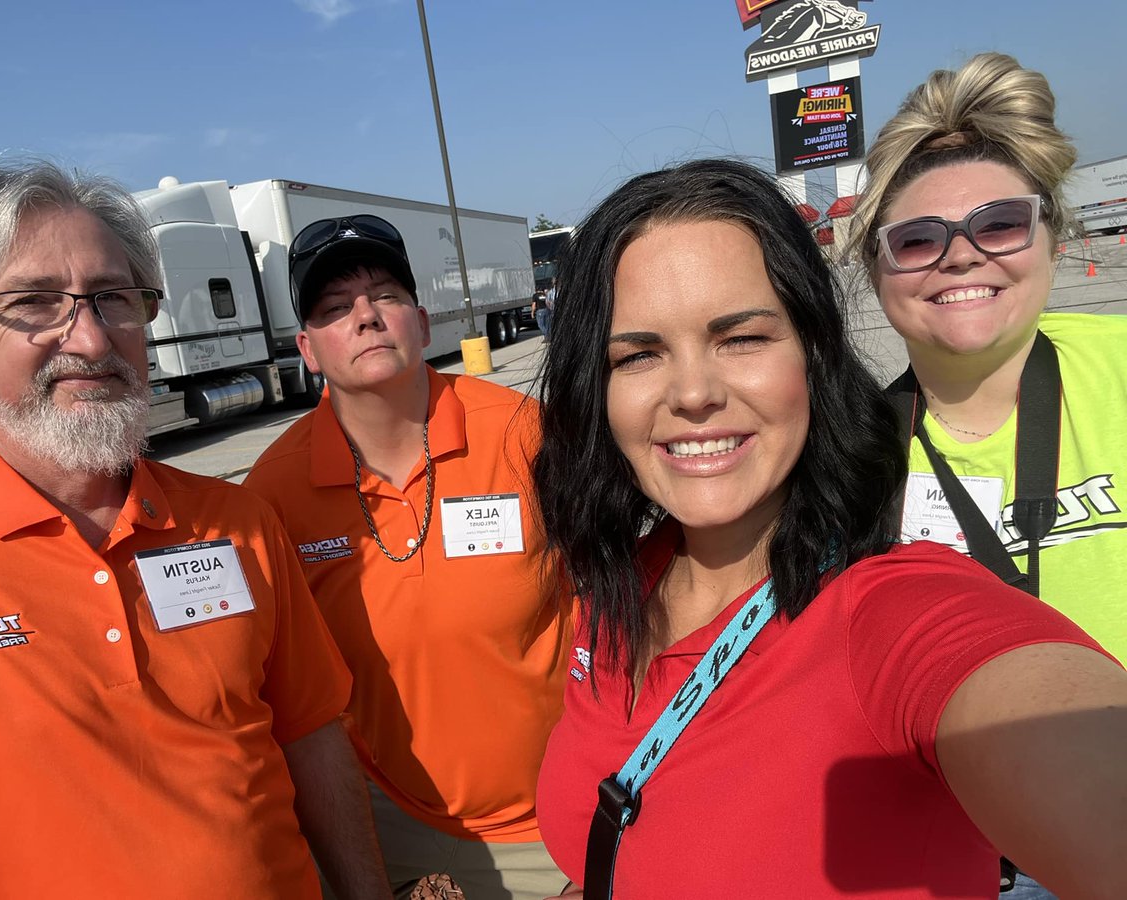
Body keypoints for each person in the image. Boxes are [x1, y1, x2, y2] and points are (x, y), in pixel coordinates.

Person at [529, 158, 1127, 899]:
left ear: (813, 355)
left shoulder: (888, 613)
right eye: (640, 354)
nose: (692, 393)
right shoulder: (615, 584)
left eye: (741, 338)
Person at [0, 162, 391, 899]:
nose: (88, 336)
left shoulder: (234, 521)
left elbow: (310, 736)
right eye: (35, 302)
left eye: (112, 298)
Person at [849, 54, 1127, 897]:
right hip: (953, 861)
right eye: (919, 239)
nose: (961, 257)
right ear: (877, 269)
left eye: (1000, 224)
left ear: (1054, 235)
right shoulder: (848, 457)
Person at [243, 213, 572, 900]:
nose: (365, 317)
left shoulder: (523, 435)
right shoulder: (273, 490)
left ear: (422, 323)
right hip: (385, 822)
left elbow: (612, 608)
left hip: (552, 815)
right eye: (336, 309)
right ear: (308, 349)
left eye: (385, 295)